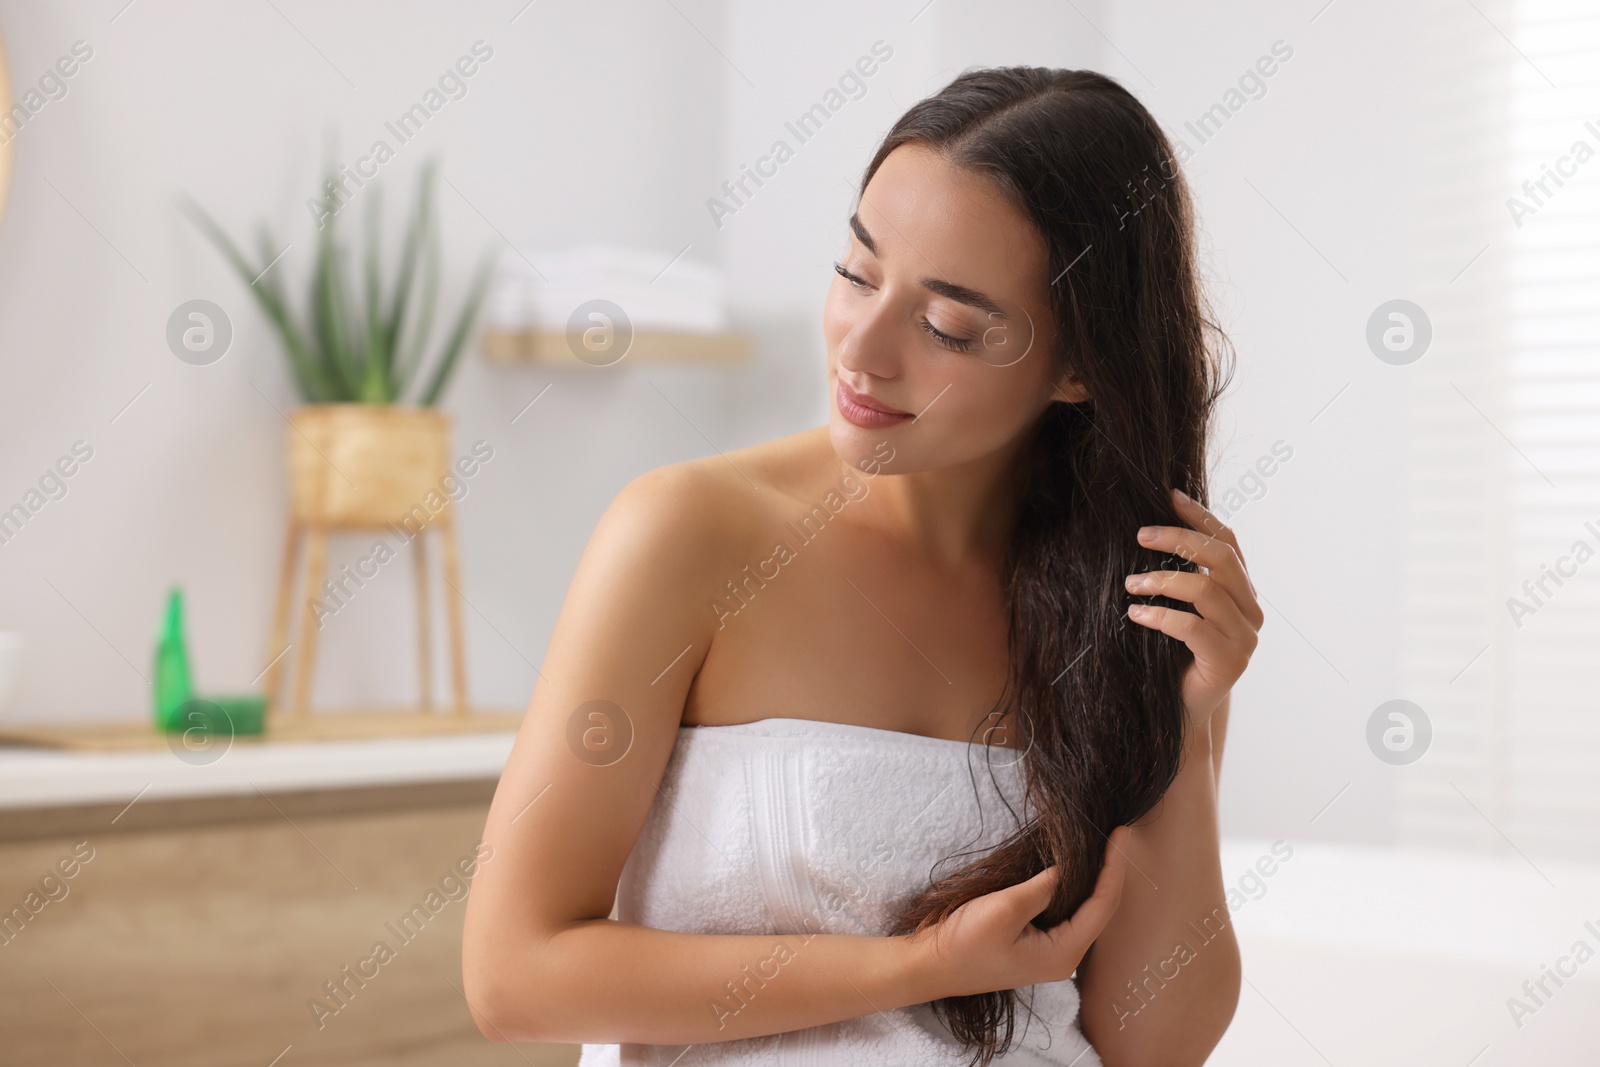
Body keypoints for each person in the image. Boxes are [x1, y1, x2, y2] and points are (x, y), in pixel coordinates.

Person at [462, 65, 1259, 1067]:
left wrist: (1180, 724)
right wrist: (913, 968)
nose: (862, 349)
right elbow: (514, 975)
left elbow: (1153, 1044)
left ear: (1077, 367)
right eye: (855, 271)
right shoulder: (689, 534)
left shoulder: (1136, 594)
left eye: (947, 328)